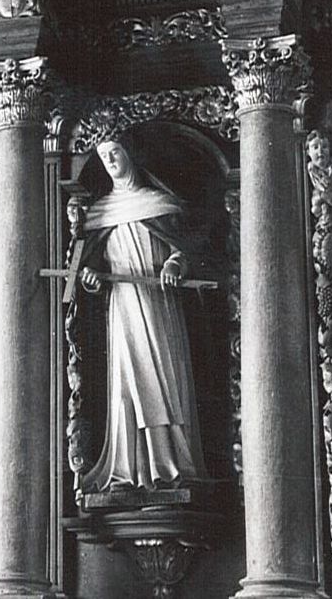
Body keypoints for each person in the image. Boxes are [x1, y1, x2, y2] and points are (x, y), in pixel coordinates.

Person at [73, 138, 207, 493]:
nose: (110, 160)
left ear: (131, 154)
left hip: (160, 305)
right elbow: (91, 271)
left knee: (163, 381)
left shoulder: (160, 205)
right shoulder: (101, 214)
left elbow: (183, 251)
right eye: (103, 156)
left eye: (115, 152)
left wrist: (175, 264)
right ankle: (127, 470)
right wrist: (91, 280)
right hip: (124, 307)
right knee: (127, 384)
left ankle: (172, 466)